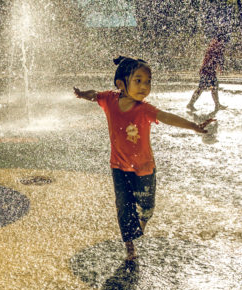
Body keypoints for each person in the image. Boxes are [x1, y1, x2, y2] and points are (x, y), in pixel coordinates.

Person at [74, 56, 214, 261]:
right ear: (121, 84)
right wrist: (82, 94)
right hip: (119, 167)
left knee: (147, 207)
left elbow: (167, 117)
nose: (144, 87)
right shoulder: (110, 100)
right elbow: (95, 95)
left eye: (148, 81)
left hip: (144, 168)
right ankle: (129, 245)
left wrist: (194, 126)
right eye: (138, 81)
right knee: (124, 206)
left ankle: (141, 225)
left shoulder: (144, 110)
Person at [187, 34, 228, 111]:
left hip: (208, 71)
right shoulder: (215, 48)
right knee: (202, 88)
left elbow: (214, 60)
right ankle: (190, 104)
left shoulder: (213, 47)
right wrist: (221, 67)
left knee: (213, 87)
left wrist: (219, 67)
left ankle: (217, 104)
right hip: (207, 71)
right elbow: (216, 59)